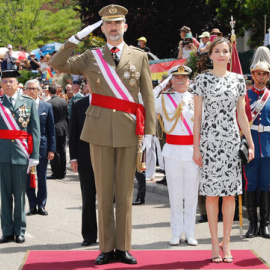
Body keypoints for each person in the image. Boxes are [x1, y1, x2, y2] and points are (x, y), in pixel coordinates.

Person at [51, 4, 155, 265]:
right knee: (103, 192)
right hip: (98, 131)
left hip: (129, 130)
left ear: (125, 27)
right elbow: (57, 63)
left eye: (118, 23)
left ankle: (124, 247)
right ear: (102, 28)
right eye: (108, 23)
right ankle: (106, 248)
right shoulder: (92, 56)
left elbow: (148, 96)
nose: (113, 27)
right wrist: (76, 39)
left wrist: (151, 132)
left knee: (124, 194)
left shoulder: (139, 56)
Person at [192, 37, 254, 263]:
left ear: (230, 55)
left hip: (230, 143)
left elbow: (241, 115)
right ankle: (213, 242)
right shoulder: (201, 81)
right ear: (210, 55)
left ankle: (226, 243)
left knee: (229, 195)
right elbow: (197, 117)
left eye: (225, 51)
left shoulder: (238, 80)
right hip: (209, 143)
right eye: (216, 51)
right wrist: (196, 147)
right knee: (211, 195)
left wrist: (250, 141)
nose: (220, 54)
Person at [155, 65, 199, 246]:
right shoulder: (164, 99)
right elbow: (145, 100)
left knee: (191, 195)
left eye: (184, 77)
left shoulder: (197, 99)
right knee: (174, 194)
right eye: (177, 77)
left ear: (189, 80)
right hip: (172, 150)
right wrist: (162, 85)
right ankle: (176, 232)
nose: (181, 80)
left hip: (191, 150)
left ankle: (190, 232)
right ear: (172, 80)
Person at [0, 70, 40, 244]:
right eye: (5, 81)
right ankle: (7, 230)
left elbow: (35, 131)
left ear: (17, 85)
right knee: (5, 195)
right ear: (1, 85)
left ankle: (20, 230)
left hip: (21, 155)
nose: (9, 84)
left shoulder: (29, 103)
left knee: (20, 194)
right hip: (2, 155)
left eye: (12, 81)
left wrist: (35, 155)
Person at [244, 61, 270, 239]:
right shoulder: (245, 96)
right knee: (251, 184)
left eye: (264, 74)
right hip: (251, 146)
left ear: (268, 76)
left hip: (268, 147)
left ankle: (265, 224)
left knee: (266, 185)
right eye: (257, 74)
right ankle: (252, 225)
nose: (261, 77)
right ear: (252, 75)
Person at [69, 86, 97, 246]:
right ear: (87, 85)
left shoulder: (109, 103)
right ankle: (89, 235)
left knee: (108, 199)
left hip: (105, 157)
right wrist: (73, 158)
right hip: (85, 157)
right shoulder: (78, 104)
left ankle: (110, 237)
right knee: (88, 198)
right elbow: (73, 133)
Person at [25, 79, 56, 216]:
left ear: (39, 90)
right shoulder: (22, 106)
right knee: (28, 178)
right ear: (25, 90)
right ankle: (32, 205)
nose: (32, 91)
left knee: (42, 177)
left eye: (34, 88)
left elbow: (51, 130)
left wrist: (52, 149)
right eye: (30, 88)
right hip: (26, 148)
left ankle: (41, 205)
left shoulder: (46, 106)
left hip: (43, 147)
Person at [47, 84, 69, 180]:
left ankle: (56, 172)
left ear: (48, 92)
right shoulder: (63, 101)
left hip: (54, 129)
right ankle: (63, 171)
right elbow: (67, 115)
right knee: (62, 151)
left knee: (54, 151)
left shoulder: (49, 102)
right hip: (63, 128)